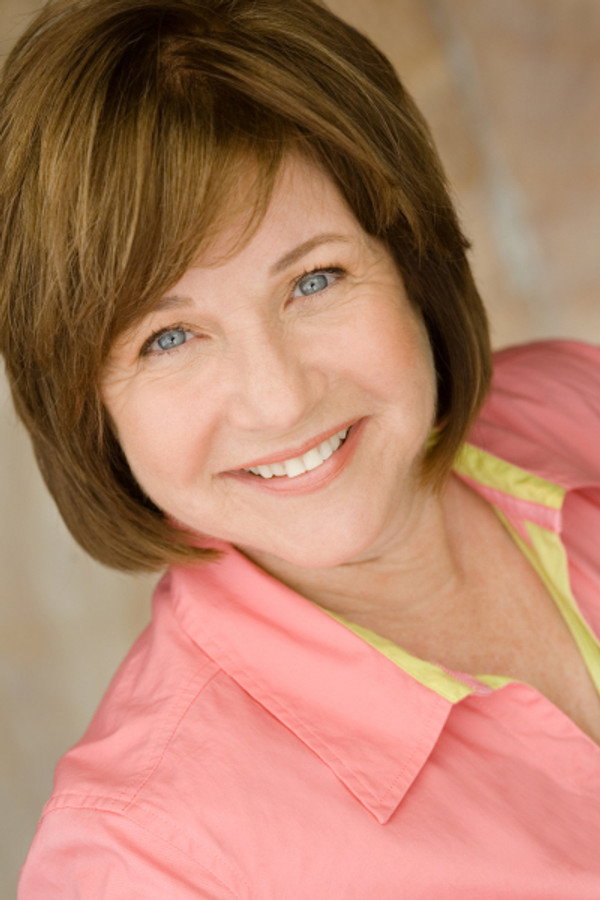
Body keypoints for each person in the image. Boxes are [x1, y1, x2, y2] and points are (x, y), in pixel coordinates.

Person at [1, 0, 598, 895]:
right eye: (169, 338)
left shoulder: (575, 396)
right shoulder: (143, 862)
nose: (280, 399)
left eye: (314, 280)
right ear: (84, 404)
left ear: (410, 263)